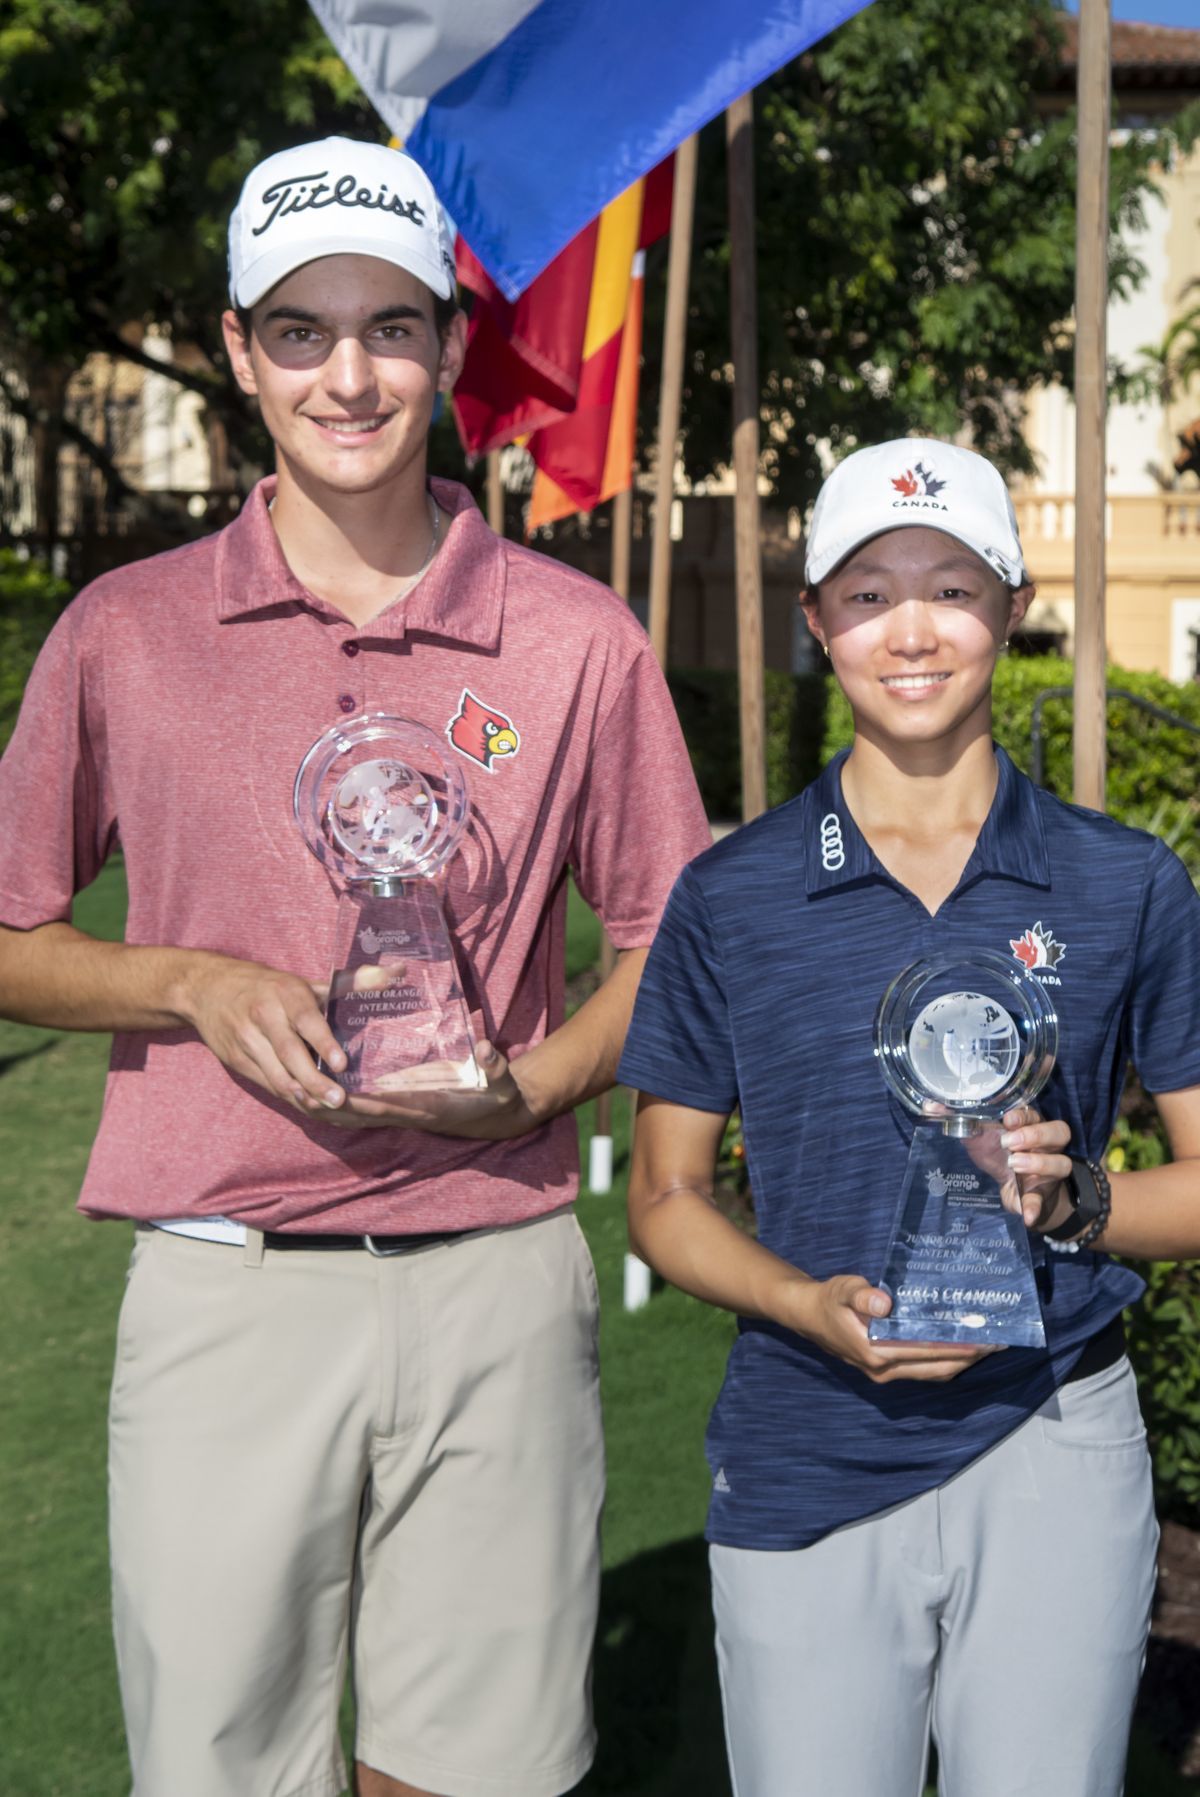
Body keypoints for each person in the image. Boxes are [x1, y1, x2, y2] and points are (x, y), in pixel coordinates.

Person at [0, 136, 710, 1797]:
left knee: (474, 1773)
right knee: (226, 1773)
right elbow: (15, 934)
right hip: (225, 1284)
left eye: (392, 326)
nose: (351, 373)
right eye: (302, 331)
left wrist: (538, 1078)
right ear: (239, 351)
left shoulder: (574, 635)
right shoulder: (125, 626)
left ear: (454, 353)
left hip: (499, 1275)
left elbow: (676, 937)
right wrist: (187, 980)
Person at [617, 438, 1200, 1797]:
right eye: (870, 593)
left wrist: (1082, 1202)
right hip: (804, 1432)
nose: (913, 628)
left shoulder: (1125, 882)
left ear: (1010, 603)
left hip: (1052, 1426)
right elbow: (663, 1197)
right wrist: (802, 1300)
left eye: (951, 585)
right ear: (816, 620)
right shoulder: (734, 893)